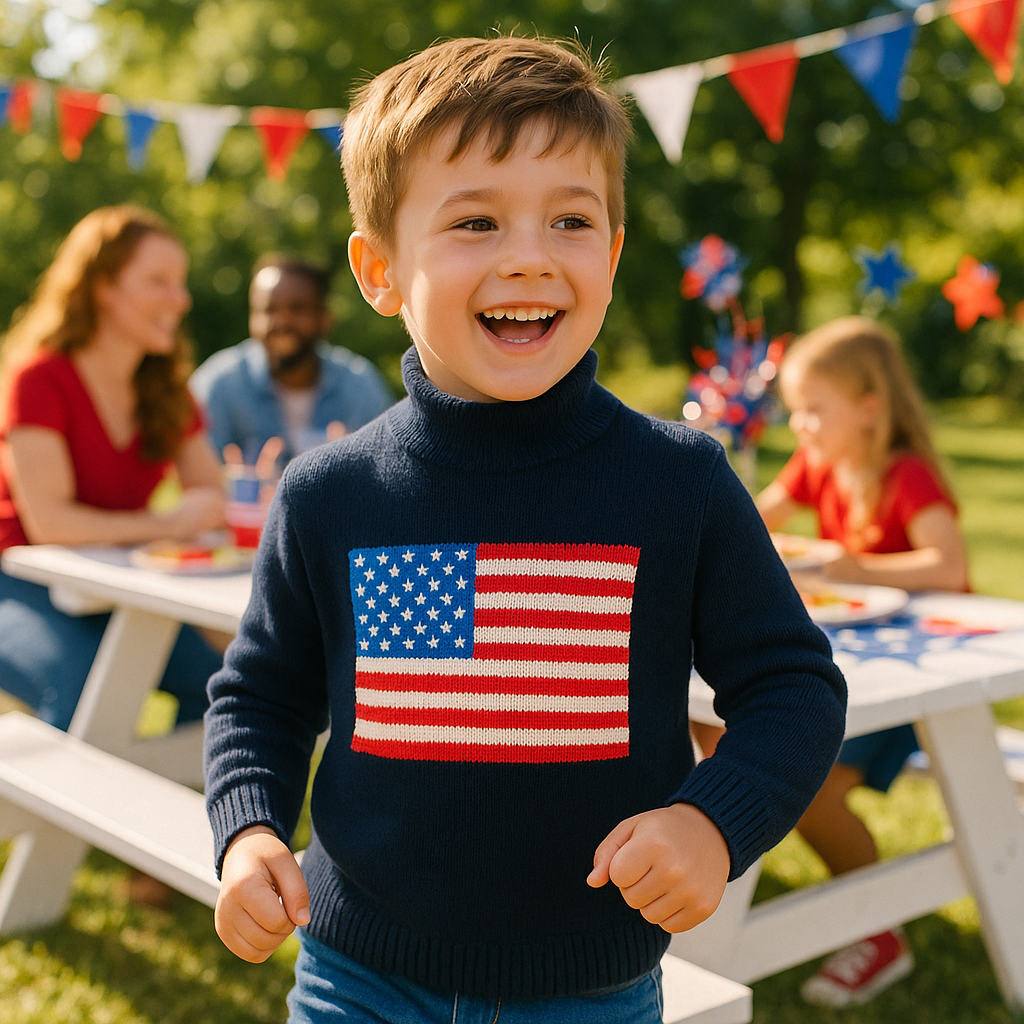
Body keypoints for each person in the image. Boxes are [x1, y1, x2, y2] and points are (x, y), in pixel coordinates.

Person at [203, 37, 847, 1024]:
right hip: (356, 974)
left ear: (612, 253)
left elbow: (793, 687)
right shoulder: (329, 493)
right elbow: (260, 698)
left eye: (571, 220)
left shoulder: (678, 482)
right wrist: (248, 832)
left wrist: (711, 825)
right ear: (379, 270)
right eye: (475, 221)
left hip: (589, 985)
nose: (529, 256)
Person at [756, 315, 970, 1008]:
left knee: (806, 782)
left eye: (814, 410)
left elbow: (949, 566)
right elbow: (749, 522)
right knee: (723, 738)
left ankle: (877, 931)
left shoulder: (905, 475)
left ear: (870, 408)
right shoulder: (815, 466)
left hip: (924, 679)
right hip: (853, 667)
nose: (801, 426)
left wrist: (856, 566)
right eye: (795, 410)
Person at [0, 205, 226, 732]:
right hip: (16, 581)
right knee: (81, 690)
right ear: (103, 287)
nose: (181, 299)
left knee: (225, 686)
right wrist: (168, 524)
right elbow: (50, 524)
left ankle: (178, 786)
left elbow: (211, 498)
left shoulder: (166, 389)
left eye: (180, 283)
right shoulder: (40, 379)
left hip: (110, 585)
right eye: (158, 281)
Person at [190, 255, 394, 467]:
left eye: (297, 309)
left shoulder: (359, 387)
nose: (281, 323)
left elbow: (388, 467)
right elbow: (197, 478)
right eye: (269, 310)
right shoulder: (218, 385)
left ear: (324, 318)